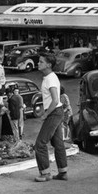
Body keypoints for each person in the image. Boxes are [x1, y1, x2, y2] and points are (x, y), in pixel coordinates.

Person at [34, 53, 68, 182]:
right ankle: (63, 172)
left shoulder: (50, 79)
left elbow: (55, 100)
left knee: (40, 144)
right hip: (56, 111)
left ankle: (45, 173)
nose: (38, 63)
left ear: (48, 65)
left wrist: (45, 114)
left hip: (54, 112)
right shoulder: (48, 77)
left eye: (41, 61)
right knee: (58, 143)